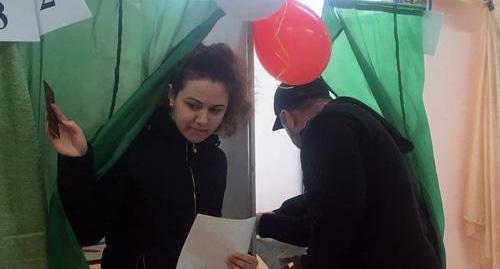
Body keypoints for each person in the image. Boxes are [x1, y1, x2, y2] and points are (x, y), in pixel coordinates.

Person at [47, 43, 258, 269]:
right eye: (193, 105)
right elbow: (86, 231)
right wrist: (76, 160)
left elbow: (207, 236)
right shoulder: (135, 149)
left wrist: (235, 259)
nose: (203, 120)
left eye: (215, 110)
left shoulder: (215, 161)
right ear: (171, 95)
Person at [256, 77, 441, 269]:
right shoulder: (352, 117)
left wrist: (309, 264)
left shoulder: (324, 128)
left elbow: (333, 221)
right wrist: (270, 218)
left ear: (287, 118)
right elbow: (327, 199)